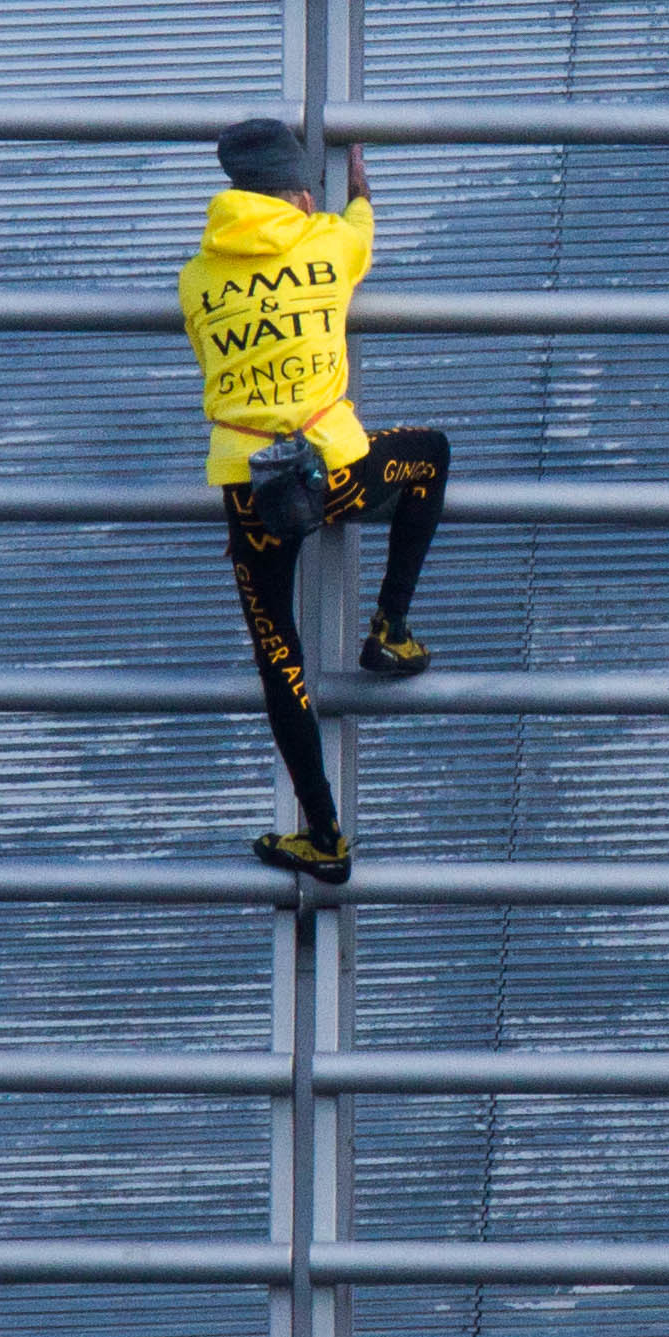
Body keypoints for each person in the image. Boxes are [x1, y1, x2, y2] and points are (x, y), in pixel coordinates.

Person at [179, 114, 452, 886]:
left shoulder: (196, 277)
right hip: (334, 468)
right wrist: (360, 187)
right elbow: (361, 223)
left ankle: (323, 836)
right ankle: (391, 628)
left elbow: (210, 356)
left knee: (279, 655)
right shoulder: (328, 242)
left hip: (249, 489)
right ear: (299, 192)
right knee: (429, 455)